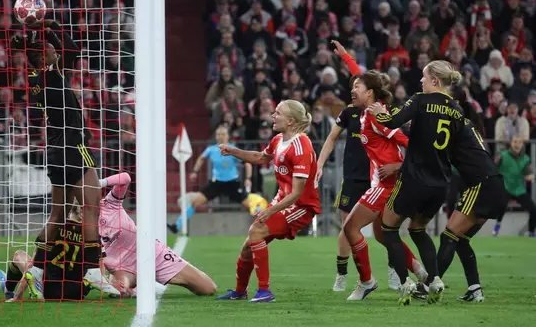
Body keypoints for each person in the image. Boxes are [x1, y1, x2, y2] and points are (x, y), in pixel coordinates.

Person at [316, 41, 425, 293]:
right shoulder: (361, 112)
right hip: (368, 179)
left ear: (371, 92)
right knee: (381, 233)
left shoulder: (378, 114)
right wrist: (345, 57)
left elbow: (411, 143)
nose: (352, 88)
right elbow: (361, 78)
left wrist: (399, 165)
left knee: (355, 228)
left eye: (357, 86)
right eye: (353, 85)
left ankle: (370, 281)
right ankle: (421, 273)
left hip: (385, 183)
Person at [11, 18, 103, 294]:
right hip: (74, 146)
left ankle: (36, 269)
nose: (57, 50)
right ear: (43, 55)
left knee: (58, 215)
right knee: (91, 208)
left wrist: (38, 36)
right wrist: (48, 28)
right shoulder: (50, 75)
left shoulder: (37, 77)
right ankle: (95, 272)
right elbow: (74, 51)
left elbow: (69, 52)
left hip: (55, 151)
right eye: (51, 48)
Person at [368, 60, 463, 305]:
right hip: (441, 183)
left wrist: (377, 110)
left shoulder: (420, 100)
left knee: (387, 228)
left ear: (434, 81)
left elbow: (392, 121)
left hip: (414, 179)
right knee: (417, 229)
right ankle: (435, 280)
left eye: (423, 77)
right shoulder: (456, 109)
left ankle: (405, 283)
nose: (420, 81)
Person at [216, 100, 320, 303]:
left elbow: (297, 194)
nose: (273, 115)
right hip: (283, 200)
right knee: (249, 245)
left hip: (301, 206)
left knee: (256, 232)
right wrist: (234, 151)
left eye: (278, 113)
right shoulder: (279, 140)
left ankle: (264, 292)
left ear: (290, 121)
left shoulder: (301, 148)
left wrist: (270, 211)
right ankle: (239, 292)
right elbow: (261, 157)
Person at [433, 100, 508, 304]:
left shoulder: (455, 128)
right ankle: (475, 289)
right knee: (460, 239)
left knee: (449, 235)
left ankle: (429, 285)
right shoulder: (469, 127)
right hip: (493, 184)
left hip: (482, 186)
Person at [100, 173, 217, 296]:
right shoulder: (83, 228)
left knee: (208, 289)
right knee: (118, 292)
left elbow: (125, 178)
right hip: (123, 266)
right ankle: (124, 283)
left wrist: (100, 183)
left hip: (152, 253)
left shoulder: (110, 203)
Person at [0, 205, 118, 301]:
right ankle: (7, 285)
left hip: (48, 289)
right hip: (78, 293)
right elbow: (99, 271)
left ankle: (8, 289)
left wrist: (18, 296)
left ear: (69, 209)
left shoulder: (54, 229)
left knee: (19, 255)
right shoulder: (94, 236)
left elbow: (32, 266)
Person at [167, 126, 253, 234]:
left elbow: (247, 162)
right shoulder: (211, 149)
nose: (220, 137)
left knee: (250, 205)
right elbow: (201, 158)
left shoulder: (233, 150)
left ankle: (265, 225)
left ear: (227, 136)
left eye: (223, 134)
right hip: (216, 183)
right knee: (194, 202)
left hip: (232, 184)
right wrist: (194, 171)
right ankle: (177, 226)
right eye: (218, 134)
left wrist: (248, 178)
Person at [493, 136, 536, 237]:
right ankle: (497, 225)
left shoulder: (525, 159)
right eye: (515, 142)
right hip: (505, 187)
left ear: (522, 145)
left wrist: (530, 176)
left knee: (533, 210)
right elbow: (493, 168)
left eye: (519, 142)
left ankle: (531, 232)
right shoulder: (502, 155)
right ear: (511, 143)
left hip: (519, 189)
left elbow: (529, 173)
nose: (517, 144)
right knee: (501, 206)